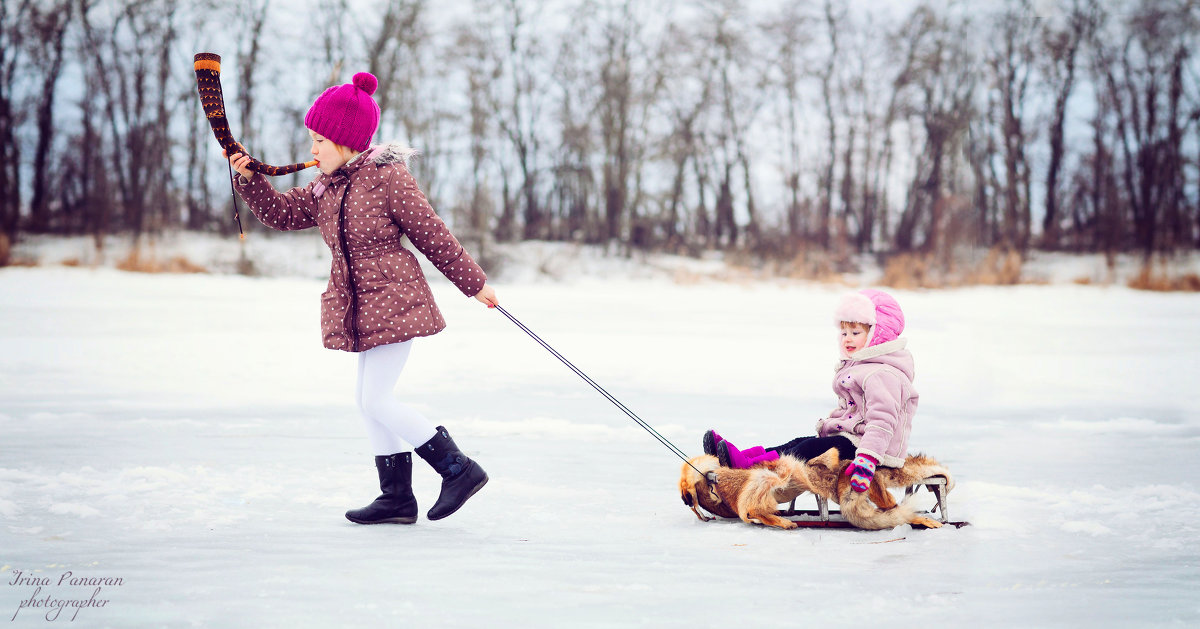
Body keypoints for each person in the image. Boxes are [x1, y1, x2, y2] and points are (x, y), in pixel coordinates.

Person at [226, 71, 495, 525]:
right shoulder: (324, 188)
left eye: (318, 140)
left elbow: (433, 235)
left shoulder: (389, 178)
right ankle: (397, 499)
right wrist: (250, 179)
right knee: (367, 399)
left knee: (377, 400)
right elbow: (279, 213)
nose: (311, 150)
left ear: (346, 141)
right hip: (360, 308)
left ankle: (459, 470)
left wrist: (474, 284)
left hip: (397, 302)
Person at [703, 289, 918, 494]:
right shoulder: (863, 366)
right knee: (797, 443)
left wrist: (867, 459)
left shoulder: (881, 374)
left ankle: (752, 469)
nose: (847, 338)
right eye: (844, 332)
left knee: (807, 449)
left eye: (855, 332)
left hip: (872, 452)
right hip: (851, 440)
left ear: (877, 335)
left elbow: (883, 421)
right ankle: (744, 459)